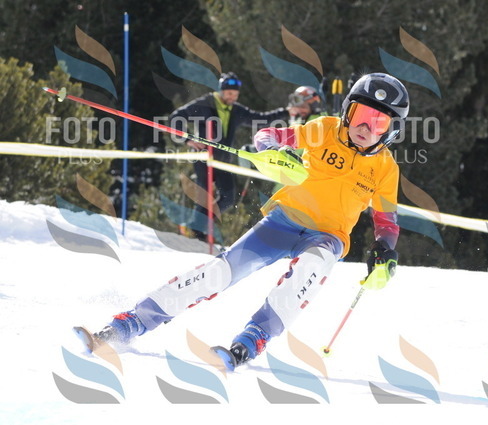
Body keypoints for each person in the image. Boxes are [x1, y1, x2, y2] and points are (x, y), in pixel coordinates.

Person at [88, 73, 409, 370]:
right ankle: (133, 321)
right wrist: (271, 150)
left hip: (329, 236)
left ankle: (254, 337)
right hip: (283, 222)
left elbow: (387, 221)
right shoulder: (324, 128)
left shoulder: (385, 168)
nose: (365, 126)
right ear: (347, 111)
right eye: (360, 114)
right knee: (221, 271)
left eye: (379, 122)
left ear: (391, 131)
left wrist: (385, 248)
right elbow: (269, 134)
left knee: (310, 269)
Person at [169, 72, 290, 237]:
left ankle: (198, 225)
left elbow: (260, 118)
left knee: (228, 198)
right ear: (221, 90)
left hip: (223, 160)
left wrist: (286, 112)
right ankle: (197, 233)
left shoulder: (236, 110)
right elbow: (176, 118)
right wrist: (187, 139)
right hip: (203, 158)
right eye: (229, 93)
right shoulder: (205, 104)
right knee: (204, 196)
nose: (232, 97)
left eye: (235, 94)